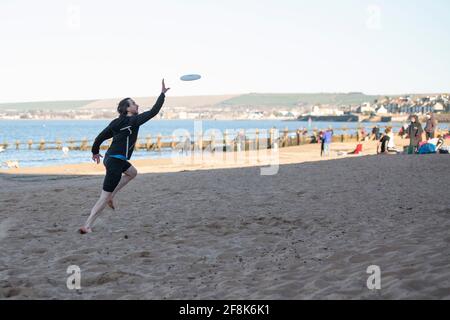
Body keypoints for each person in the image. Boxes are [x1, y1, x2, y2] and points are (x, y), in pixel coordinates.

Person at [79, 79, 170, 234]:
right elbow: (154, 111)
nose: (137, 105)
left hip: (116, 159)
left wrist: (95, 151)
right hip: (115, 161)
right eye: (134, 104)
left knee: (132, 173)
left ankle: (112, 195)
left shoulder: (116, 122)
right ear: (127, 109)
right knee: (103, 197)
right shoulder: (133, 120)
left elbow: (99, 138)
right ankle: (87, 225)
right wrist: (162, 94)